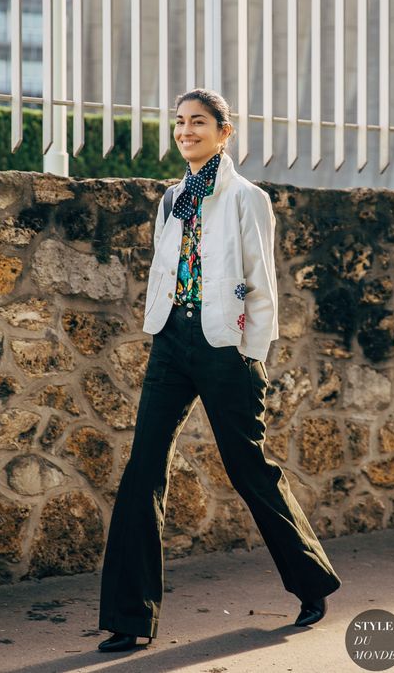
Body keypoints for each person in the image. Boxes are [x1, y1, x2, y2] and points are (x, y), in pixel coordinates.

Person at [97, 88, 342, 653]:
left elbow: (262, 285)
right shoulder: (171, 197)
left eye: (198, 122)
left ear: (223, 131)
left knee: (247, 465)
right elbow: (166, 267)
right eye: (180, 122)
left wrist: (250, 352)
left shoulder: (245, 198)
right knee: (143, 470)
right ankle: (129, 618)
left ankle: (310, 580)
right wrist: (158, 324)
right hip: (171, 340)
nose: (186, 131)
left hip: (225, 346)